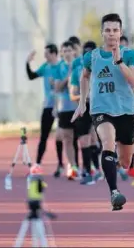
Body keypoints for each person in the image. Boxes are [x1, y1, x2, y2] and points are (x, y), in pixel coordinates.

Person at [71, 13, 134, 211]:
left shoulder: (130, 55)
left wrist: (119, 62)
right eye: (108, 30)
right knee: (108, 142)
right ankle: (114, 192)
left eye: (115, 30)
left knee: (126, 162)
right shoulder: (91, 57)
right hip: (101, 110)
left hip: (126, 111)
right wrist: (83, 102)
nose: (111, 34)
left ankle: (111, 163)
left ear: (120, 32)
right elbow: (84, 77)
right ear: (102, 33)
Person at [26, 44, 64, 176]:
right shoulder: (45, 67)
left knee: (61, 136)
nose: (45, 56)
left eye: (47, 53)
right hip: (48, 105)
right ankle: (37, 164)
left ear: (54, 54)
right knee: (44, 136)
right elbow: (32, 76)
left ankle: (61, 165)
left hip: (61, 106)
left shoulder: (61, 66)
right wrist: (27, 63)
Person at [69, 40, 104, 185]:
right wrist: (83, 97)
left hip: (98, 109)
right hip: (83, 108)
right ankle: (88, 171)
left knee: (96, 140)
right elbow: (72, 95)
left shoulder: (102, 70)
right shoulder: (77, 70)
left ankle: (97, 168)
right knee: (84, 141)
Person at [53, 41, 80, 180]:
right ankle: (72, 166)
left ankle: (90, 166)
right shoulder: (59, 67)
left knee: (84, 138)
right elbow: (57, 87)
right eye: (64, 51)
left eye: (69, 50)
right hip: (64, 107)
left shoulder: (80, 65)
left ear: (74, 52)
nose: (67, 53)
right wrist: (68, 77)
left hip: (79, 107)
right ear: (61, 53)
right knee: (68, 139)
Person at [119, 35, 134, 179]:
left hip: (128, 106)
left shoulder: (132, 59)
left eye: (123, 44)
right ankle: (114, 167)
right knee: (113, 138)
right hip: (112, 105)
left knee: (128, 139)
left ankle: (131, 166)